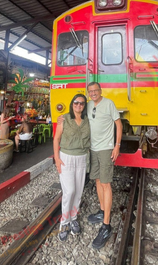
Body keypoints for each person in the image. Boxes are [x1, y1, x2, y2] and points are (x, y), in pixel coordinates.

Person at [86, 82, 122, 249]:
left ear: (100, 91)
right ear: (88, 93)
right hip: (93, 149)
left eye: (95, 90)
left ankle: (106, 226)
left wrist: (117, 145)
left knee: (106, 183)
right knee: (98, 181)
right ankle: (102, 211)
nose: (93, 93)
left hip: (106, 148)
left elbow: (118, 124)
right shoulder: (87, 105)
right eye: (90, 91)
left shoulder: (109, 103)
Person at [53, 94, 90, 242]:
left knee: (79, 191)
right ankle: (64, 222)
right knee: (69, 191)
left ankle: (73, 218)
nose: (79, 105)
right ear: (72, 104)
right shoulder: (64, 119)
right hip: (66, 157)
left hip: (82, 158)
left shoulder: (88, 120)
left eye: (81, 103)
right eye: (76, 103)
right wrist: (56, 158)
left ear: (84, 106)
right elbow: (56, 138)